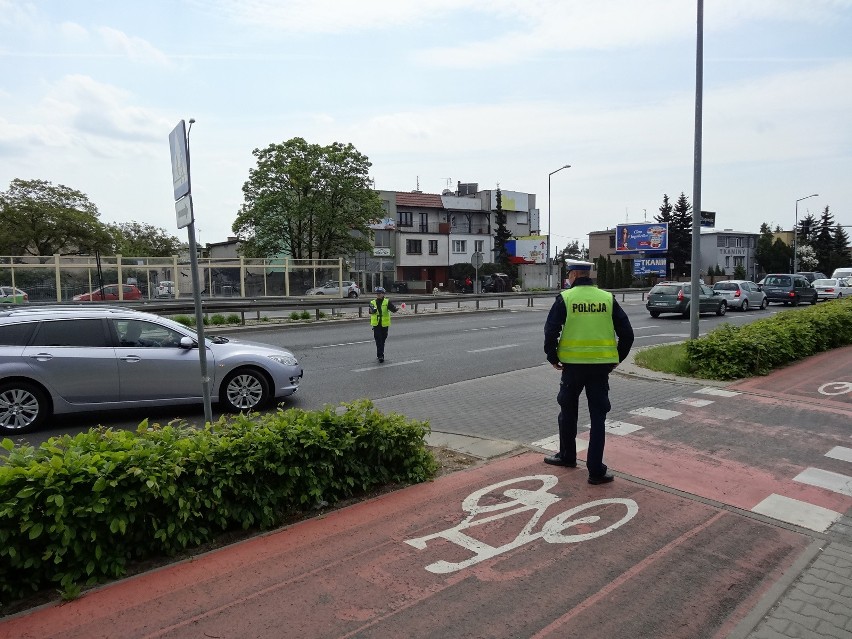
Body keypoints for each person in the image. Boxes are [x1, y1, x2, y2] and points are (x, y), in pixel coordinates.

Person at [542, 259, 634, 485]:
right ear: (588, 275)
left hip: (572, 368)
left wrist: (553, 358)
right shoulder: (607, 298)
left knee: (568, 411)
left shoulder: (565, 298)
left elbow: (550, 331)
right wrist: (616, 359)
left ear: (573, 275)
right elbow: (628, 334)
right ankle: (595, 471)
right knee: (598, 418)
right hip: (600, 368)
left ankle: (567, 456)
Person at [369, 287, 399, 363]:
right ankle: (380, 356)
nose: (378, 295)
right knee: (378, 339)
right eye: (377, 293)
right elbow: (371, 311)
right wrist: (372, 310)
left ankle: (379, 353)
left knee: (383, 339)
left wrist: (396, 309)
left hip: (385, 324)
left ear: (383, 294)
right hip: (376, 324)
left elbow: (393, 309)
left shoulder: (387, 302)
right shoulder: (372, 302)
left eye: (380, 293)